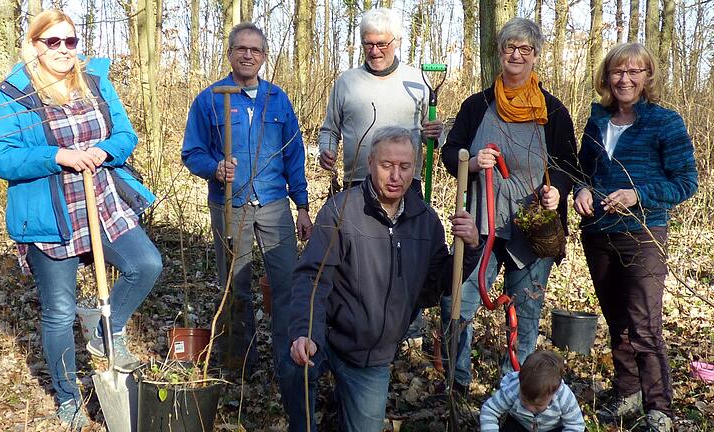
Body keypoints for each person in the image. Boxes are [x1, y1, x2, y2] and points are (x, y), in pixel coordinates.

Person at [0, 10, 162, 430]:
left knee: (146, 265)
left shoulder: (95, 80)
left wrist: (105, 152)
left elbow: (125, 134)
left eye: (70, 41)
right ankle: (68, 399)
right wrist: (56, 156)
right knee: (59, 312)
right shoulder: (15, 93)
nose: (64, 50)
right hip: (49, 213)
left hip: (100, 202)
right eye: (54, 42)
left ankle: (105, 329)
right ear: (35, 45)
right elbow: (0, 157)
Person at [282, 126, 482, 431]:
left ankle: (343, 402)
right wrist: (305, 332)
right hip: (326, 335)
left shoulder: (426, 223)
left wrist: (468, 250)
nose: (395, 176)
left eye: (404, 167)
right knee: (293, 366)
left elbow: (434, 287)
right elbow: (312, 276)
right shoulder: (341, 210)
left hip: (371, 357)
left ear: (414, 168)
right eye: (387, 165)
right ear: (370, 164)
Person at [440, 17, 578, 393]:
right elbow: (449, 154)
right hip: (479, 227)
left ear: (535, 56)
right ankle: (456, 382)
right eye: (509, 47)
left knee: (526, 313)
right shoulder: (476, 105)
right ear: (499, 53)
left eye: (525, 49)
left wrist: (558, 191)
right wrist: (470, 159)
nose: (516, 55)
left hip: (532, 232)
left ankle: (512, 388)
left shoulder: (553, 111)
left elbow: (569, 165)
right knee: (458, 303)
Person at [574, 42, 697, 432]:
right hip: (598, 235)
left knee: (645, 325)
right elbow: (583, 172)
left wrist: (637, 194)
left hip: (643, 234)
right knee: (617, 322)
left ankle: (659, 408)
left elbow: (685, 182)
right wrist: (581, 191)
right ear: (606, 77)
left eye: (633, 72)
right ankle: (627, 396)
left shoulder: (665, 122)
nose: (624, 79)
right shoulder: (596, 122)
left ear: (647, 77)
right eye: (617, 72)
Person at [182, 23, 312, 377]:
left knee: (286, 283)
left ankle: (289, 361)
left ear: (264, 57)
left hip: (274, 204)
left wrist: (302, 206)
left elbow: (294, 155)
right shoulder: (211, 98)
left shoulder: (278, 99)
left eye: (256, 51)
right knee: (235, 286)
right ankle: (240, 364)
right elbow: (191, 151)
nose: (248, 56)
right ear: (230, 53)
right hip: (230, 205)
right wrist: (214, 167)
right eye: (242, 49)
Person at [317, 7, 443, 191]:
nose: (374, 51)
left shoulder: (418, 80)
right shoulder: (346, 82)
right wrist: (327, 150)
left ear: (397, 41)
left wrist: (435, 133)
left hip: (405, 184)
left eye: (382, 44)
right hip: (358, 184)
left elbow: (428, 134)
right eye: (368, 44)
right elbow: (330, 130)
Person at [480, 350, 585, 432]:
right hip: (520, 424)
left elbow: (575, 425)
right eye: (525, 401)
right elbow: (489, 410)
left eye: (538, 405)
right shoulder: (512, 390)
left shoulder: (564, 397)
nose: (530, 408)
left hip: (552, 428)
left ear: (554, 392)